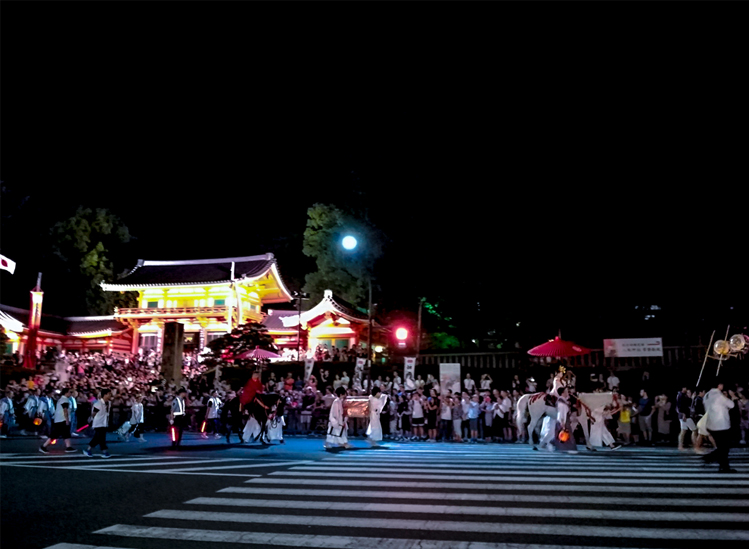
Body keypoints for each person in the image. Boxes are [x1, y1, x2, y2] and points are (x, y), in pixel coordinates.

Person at [702, 381, 738, 473]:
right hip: (721, 425)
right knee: (724, 448)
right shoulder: (719, 396)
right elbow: (731, 405)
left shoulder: (707, 395)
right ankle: (722, 466)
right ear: (719, 385)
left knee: (722, 447)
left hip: (711, 424)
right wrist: (733, 397)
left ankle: (711, 459)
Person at [40, 387, 77, 454]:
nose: (71, 394)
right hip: (62, 420)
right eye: (70, 392)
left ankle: (68, 447)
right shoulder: (64, 400)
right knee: (55, 435)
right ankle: (43, 446)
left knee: (65, 434)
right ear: (66, 392)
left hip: (60, 419)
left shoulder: (63, 399)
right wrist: (67, 420)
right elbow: (65, 410)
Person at [84, 389, 112, 458]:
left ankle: (88, 450)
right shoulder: (98, 404)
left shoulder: (108, 403)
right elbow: (94, 413)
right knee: (101, 438)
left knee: (98, 438)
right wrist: (91, 420)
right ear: (104, 395)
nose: (110, 395)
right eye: (109, 394)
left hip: (104, 423)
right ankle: (104, 451)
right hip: (98, 423)